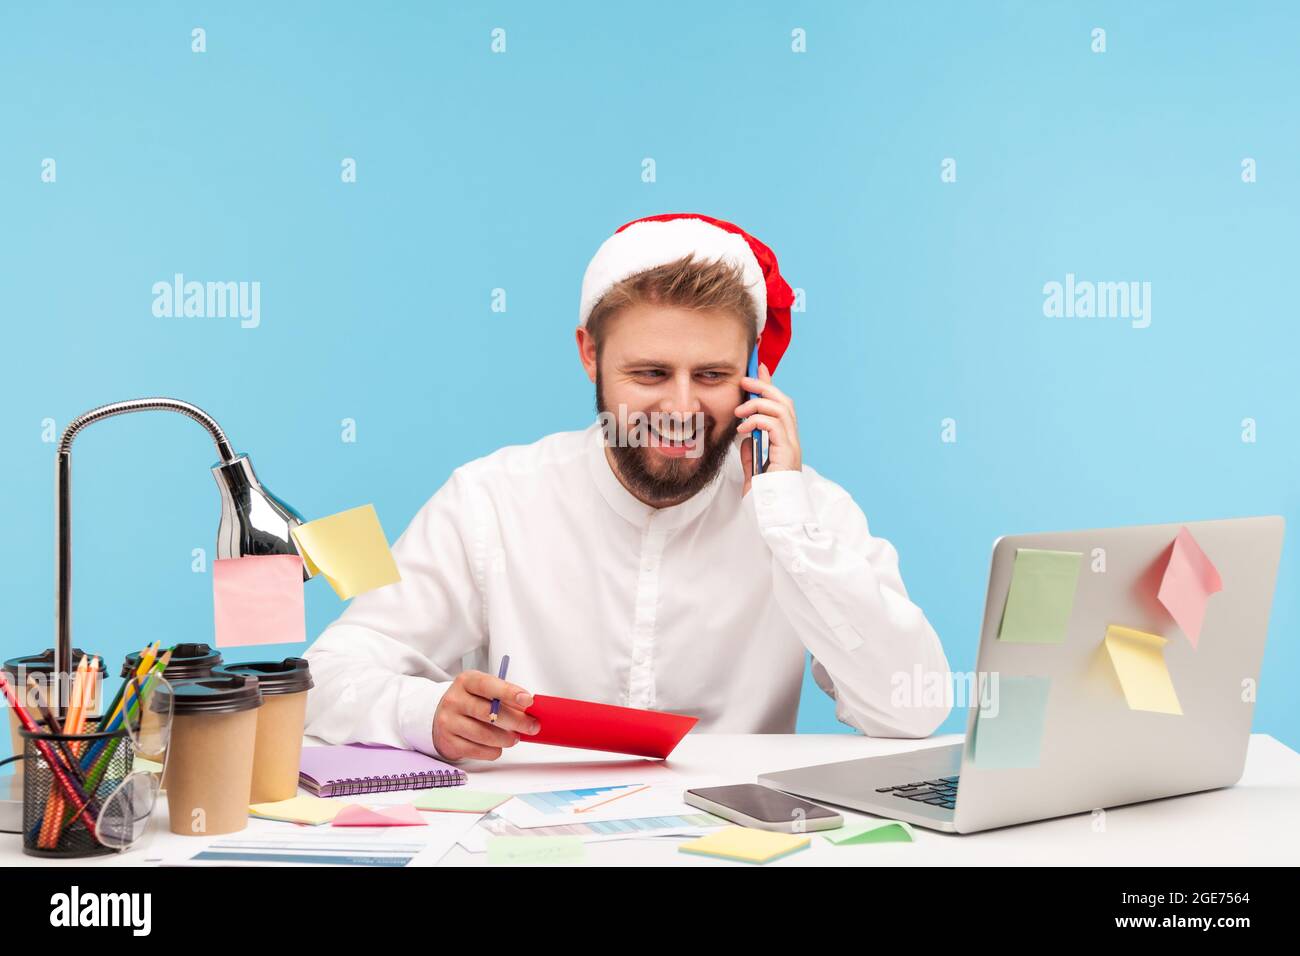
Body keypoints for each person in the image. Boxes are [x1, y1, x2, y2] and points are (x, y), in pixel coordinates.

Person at [302, 212, 952, 762]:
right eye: (649, 373)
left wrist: (786, 521)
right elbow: (325, 676)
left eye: (712, 375)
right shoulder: (490, 499)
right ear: (590, 354)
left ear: (755, 371)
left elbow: (911, 708)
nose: (680, 405)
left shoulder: (810, 515)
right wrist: (426, 712)